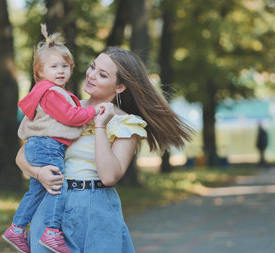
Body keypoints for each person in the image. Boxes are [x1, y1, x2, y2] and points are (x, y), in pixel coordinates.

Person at [16, 47, 193, 252]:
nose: (91, 75)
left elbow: (109, 176)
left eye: (102, 74)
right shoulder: (64, 109)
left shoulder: (126, 123)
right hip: (52, 207)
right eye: (93, 67)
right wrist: (39, 173)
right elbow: (23, 154)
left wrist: (100, 125)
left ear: (119, 87)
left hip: (96, 208)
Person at [2, 24, 101, 253]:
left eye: (65, 66)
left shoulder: (51, 92)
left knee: (36, 191)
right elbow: (71, 116)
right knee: (58, 186)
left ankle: (16, 229)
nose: (60, 71)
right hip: (48, 146)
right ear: (40, 73)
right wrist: (94, 111)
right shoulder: (52, 93)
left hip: (39, 146)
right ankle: (52, 232)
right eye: (54, 66)